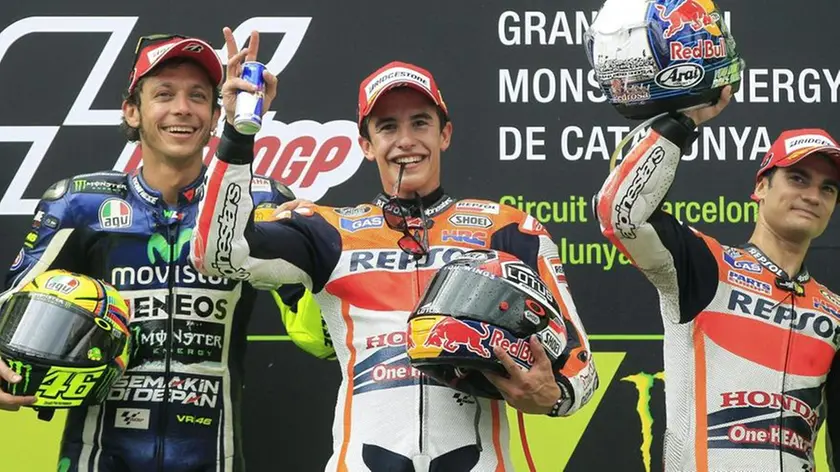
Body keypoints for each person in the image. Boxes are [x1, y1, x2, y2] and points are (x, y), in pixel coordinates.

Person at [190, 28, 598, 471]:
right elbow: (217, 253)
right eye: (388, 127)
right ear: (366, 145)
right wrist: (236, 132)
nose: (406, 141)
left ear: (445, 134)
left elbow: (582, 367)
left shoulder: (510, 230)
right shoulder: (328, 229)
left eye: (420, 122)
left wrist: (553, 396)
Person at [0, 32, 321, 471]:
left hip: (215, 458)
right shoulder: (79, 203)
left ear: (214, 116)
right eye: (163, 94)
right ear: (132, 111)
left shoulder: (255, 202)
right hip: (97, 458)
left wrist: (316, 257)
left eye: (197, 96)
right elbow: (9, 310)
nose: (182, 109)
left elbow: (316, 337)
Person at [593, 86, 840, 471]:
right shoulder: (707, 266)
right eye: (798, 178)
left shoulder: (834, 312)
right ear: (761, 186)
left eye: (828, 188)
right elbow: (621, 216)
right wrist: (683, 122)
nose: (813, 195)